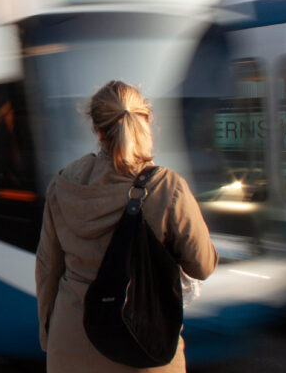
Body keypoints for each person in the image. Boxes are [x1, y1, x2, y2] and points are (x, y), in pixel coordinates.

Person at [35, 80, 218, 372]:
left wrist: (51, 338)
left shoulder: (63, 183)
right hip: (142, 345)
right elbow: (203, 265)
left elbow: (48, 268)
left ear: (97, 130)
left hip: (69, 344)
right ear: (145, 123)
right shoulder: (166, 187)